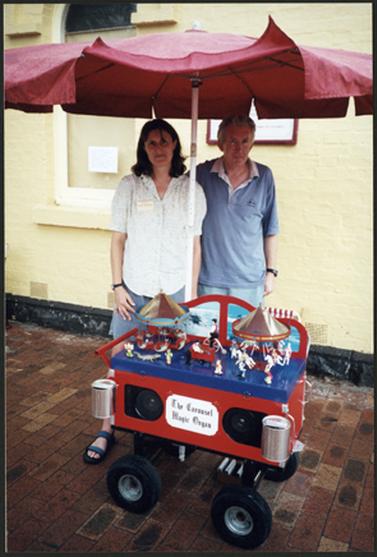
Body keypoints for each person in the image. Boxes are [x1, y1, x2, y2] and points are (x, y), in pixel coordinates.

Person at [83, 119, 207, 464]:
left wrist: (192, 295)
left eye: (165, 141)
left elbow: (195, 246)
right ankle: (107, 427)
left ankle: (163, 427)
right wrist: (117, 286)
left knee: (173, 363)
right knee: (118, 360)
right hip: (134, 290)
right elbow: (117, 239)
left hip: (176, 292)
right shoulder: (129, 186)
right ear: (143, 147)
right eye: (151, 142)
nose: (159, 148)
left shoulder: (191, 188)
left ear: (175, 145)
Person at [196, 114, 279, 307]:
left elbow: (271, 230)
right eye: (232, 141)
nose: (239, 148)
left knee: (244, 337)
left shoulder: (264, 176)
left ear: (252, 143)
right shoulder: (201, 175)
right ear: (220, 143)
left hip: (249, 282)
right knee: (208, 337)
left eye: (245, 141)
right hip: (209, 280)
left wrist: (271, 272)